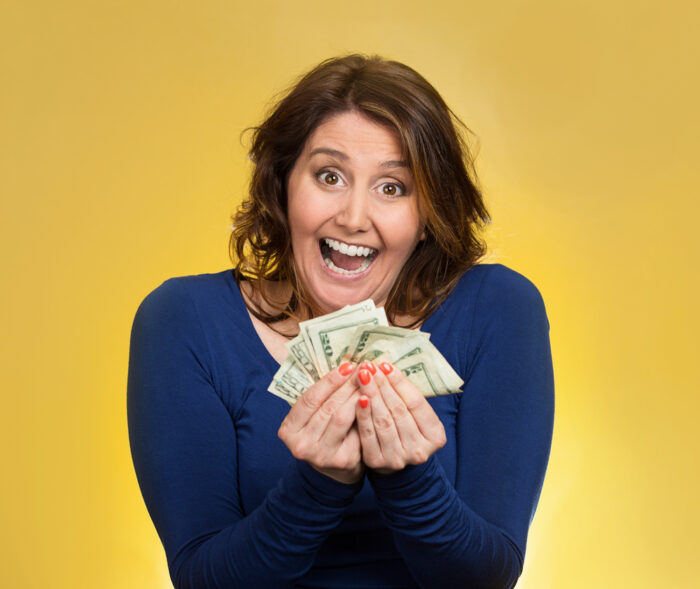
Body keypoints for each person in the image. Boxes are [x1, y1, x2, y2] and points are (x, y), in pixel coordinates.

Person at [127, 54, 554, 589]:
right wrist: (317, 485)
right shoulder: (185, 321)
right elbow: (201, 578)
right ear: (283, 183)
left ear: (427, 216)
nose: (353, 217)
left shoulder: (499, 309)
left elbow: (488, 578)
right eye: (329, 176)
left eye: (392, 187)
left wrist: (409, 479)